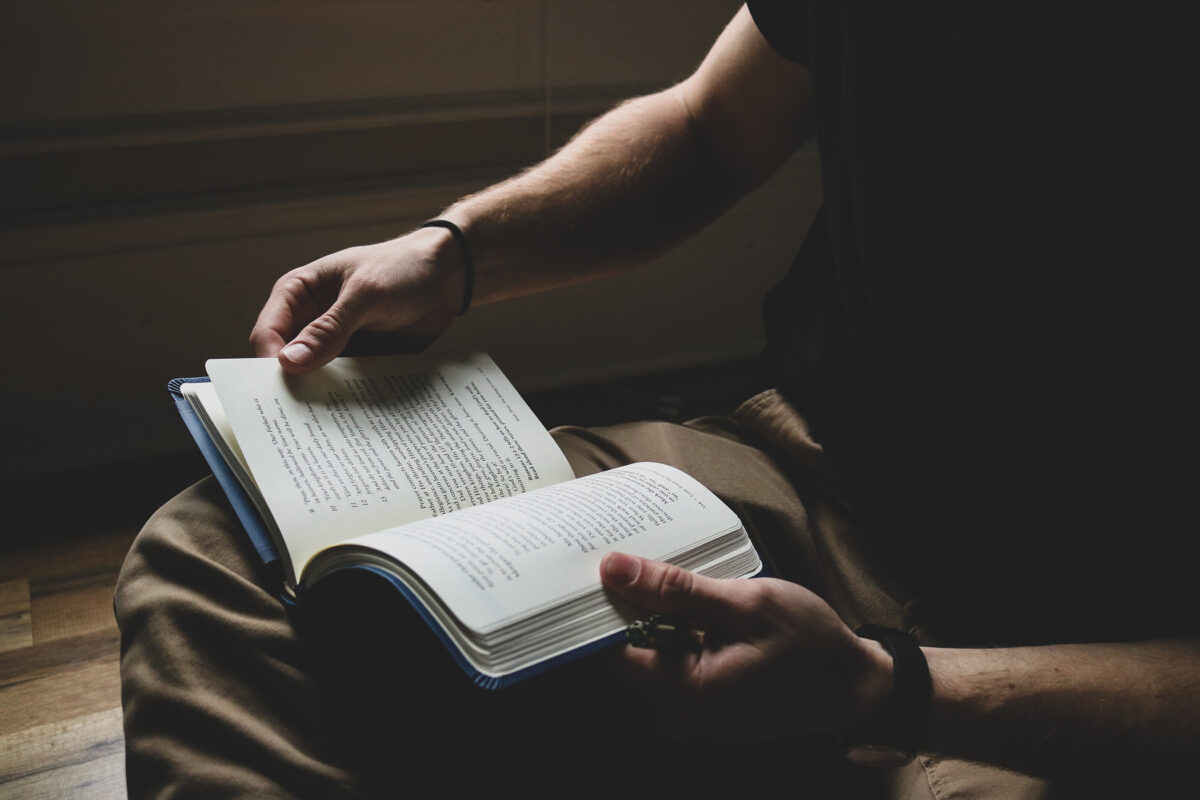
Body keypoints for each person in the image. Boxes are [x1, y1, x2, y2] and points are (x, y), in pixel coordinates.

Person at [116, 3, 1198, 797]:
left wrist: (891, 687)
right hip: (809, 476)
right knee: (218, 552)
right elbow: (705, 130)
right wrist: (453, 251)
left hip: (1077, 662)